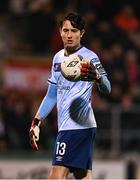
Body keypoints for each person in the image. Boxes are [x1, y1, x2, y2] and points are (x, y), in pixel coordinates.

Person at [29, 12, 111, 179]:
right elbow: (51, 96)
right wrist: (36, 121)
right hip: (68, 127)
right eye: (66, 30)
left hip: (78, 126)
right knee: (82, 176)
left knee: (56, 175)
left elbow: (107, 88)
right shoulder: (57, 58)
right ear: (60, 31)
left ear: (82, 33)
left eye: (74, 31)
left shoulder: (90, 57)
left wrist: (98, 78)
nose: (69, 35)